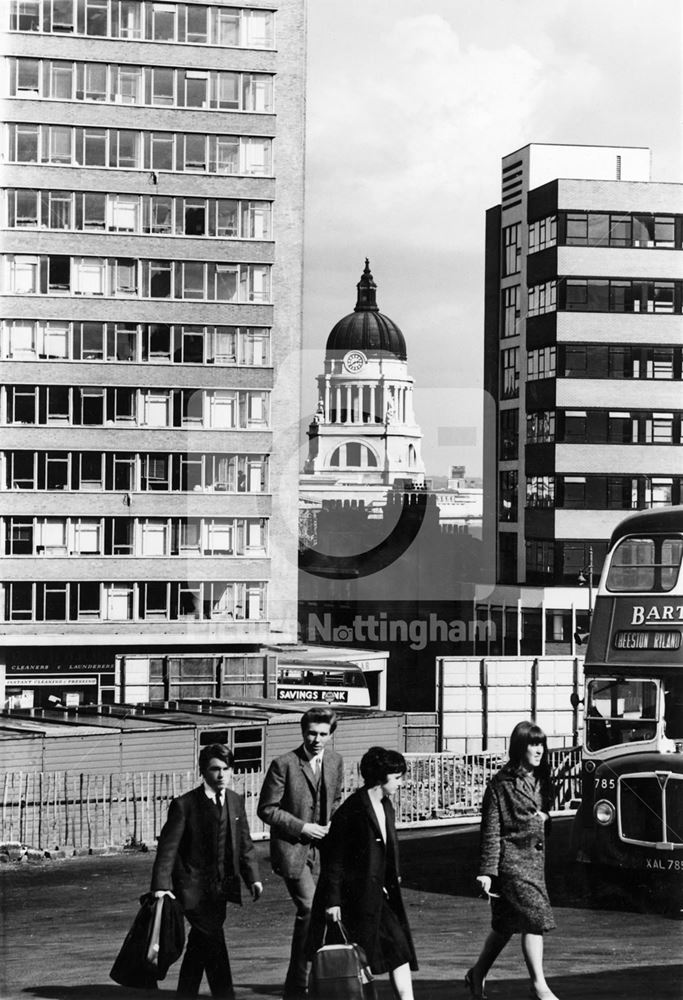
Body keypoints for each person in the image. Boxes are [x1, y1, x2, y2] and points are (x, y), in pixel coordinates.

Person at [151, 744, 263, 999]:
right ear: (203, 771)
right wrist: (160, 886)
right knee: (212, 938)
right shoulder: (184, 804)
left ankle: (186, 994)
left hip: (221, 888)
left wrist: (253, 878)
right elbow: (168, 848)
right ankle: (225, 995)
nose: (221, 775)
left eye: (226, 769)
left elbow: (244, 843)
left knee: (201, 945)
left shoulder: (235, 800)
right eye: (215, 769)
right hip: (191, 887)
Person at [307, 746, 418, 1000]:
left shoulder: (386, 805)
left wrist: (393, 875)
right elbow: (334, 859)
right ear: (381, 778)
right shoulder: (353, 809)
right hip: (354, 898)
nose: (402, 783)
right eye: (398, 777)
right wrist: (333, 900)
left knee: (399, 949)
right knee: (359, 956)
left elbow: (389, 847)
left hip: (379, 894)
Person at [466, 721, 558, 1000]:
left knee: (505, 925)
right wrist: (486, 871)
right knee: (534, 918)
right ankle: (538, 985)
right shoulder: (500, 784)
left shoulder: (542, 778)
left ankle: (477, 973)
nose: (538, 750)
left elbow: (543, 816)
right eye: (532, 744)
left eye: (541, 743)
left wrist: (545, 819)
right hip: (512, 863)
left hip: (535, 862)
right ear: (519, 747)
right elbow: (491, 830)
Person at [257, 706, 344, 1000]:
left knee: (327, 914)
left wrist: (333, 824)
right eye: (311, 733)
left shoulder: (335, 761)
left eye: (323, 734)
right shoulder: (284, 764)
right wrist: (303, 827)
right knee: (309, 909)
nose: (316, 739)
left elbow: (336, 800)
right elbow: (267, 809)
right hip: (293, 850)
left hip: (325, 850)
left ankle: (315, 981)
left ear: (331, 735)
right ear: (302, 732)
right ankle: (298, 986)